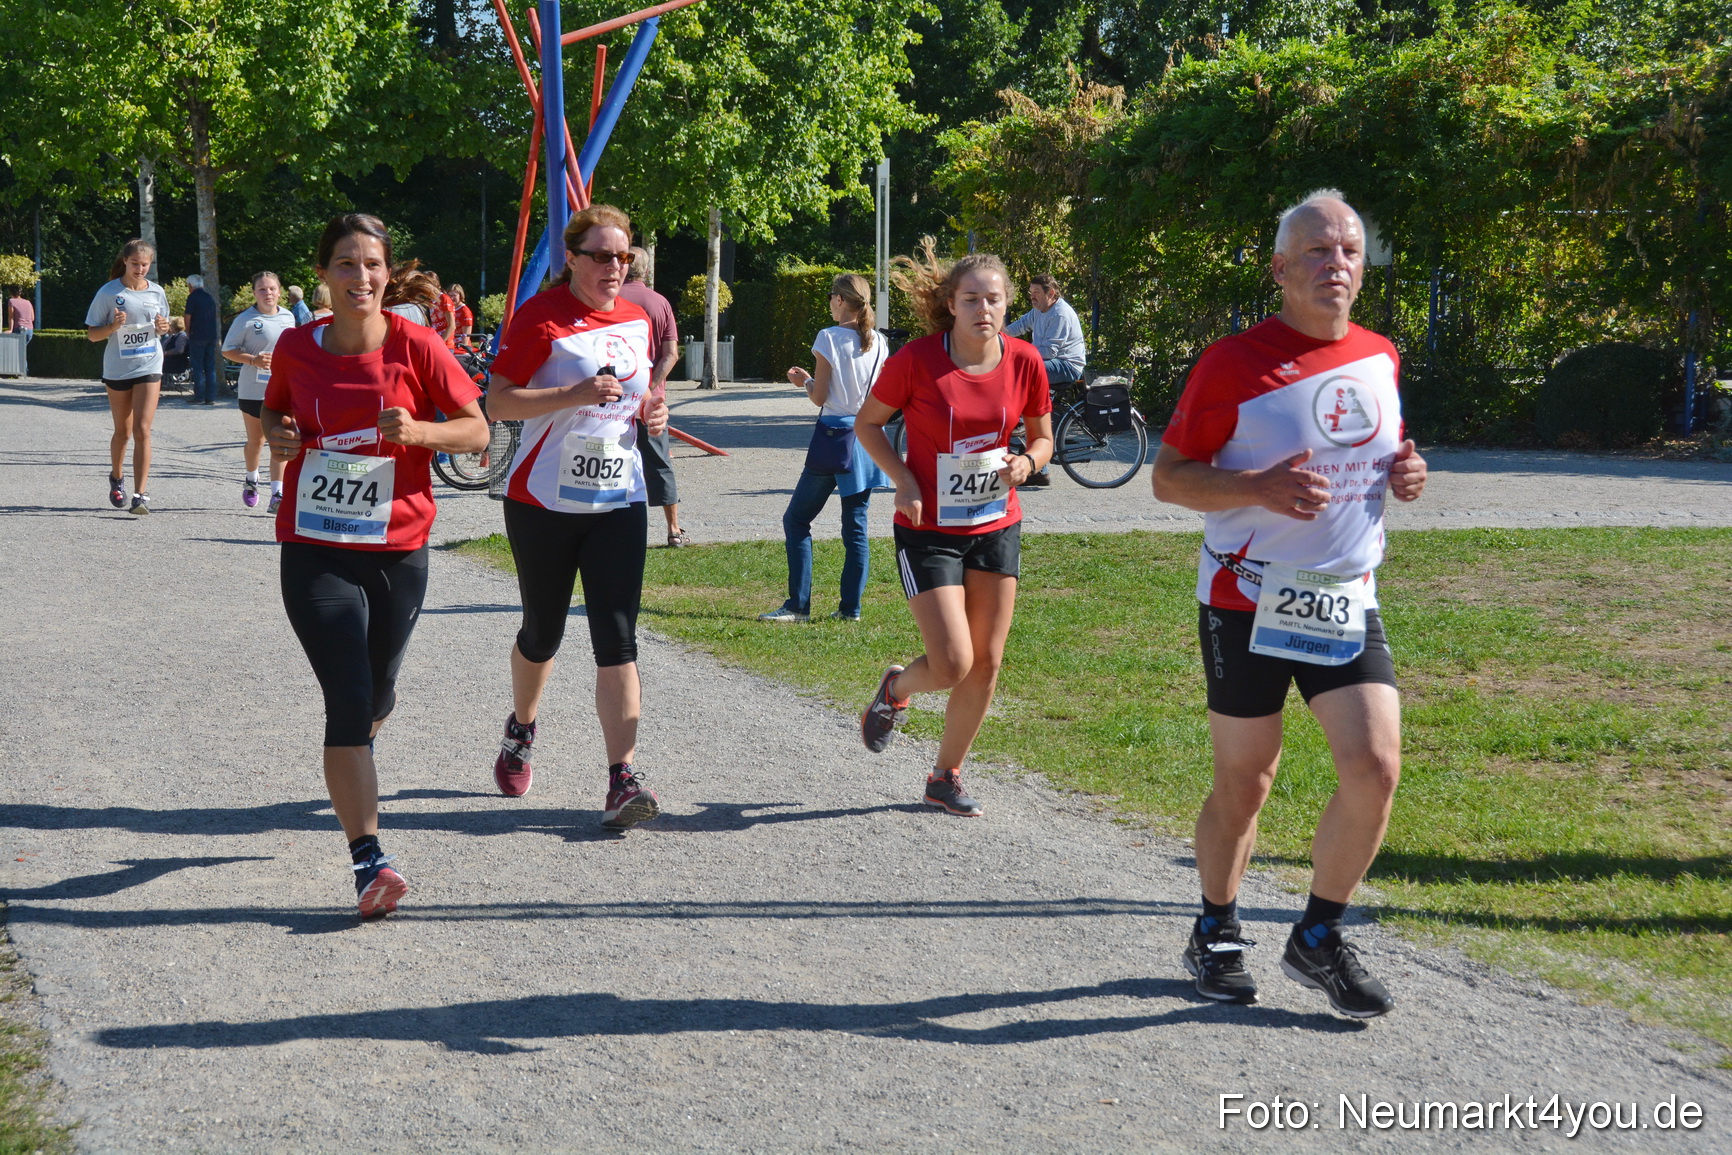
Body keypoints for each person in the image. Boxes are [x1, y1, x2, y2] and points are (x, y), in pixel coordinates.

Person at [1151, 189, 1428, 1018]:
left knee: (1375, 766)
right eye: (1316, 251)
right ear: (1280, 268)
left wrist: (1408, 470)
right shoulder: (1232, 363)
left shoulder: (1380, 354)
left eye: (1348, 250)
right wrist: (1255, 487)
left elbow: (1382, 453)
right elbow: (1169, 478)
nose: (1336, 264)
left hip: (1344, 596)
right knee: (1248, 779)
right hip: (1245, 598)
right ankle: (1217, 926)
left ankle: (1317, 935)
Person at [261, 213, 488, 918]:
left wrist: (420, 430)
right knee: (350, 699)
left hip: (397, 547)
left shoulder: (418, 346)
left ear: (388, 274)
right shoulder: (297, 348)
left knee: (379, 691)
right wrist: (282, 436)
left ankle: (360, 745)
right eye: (346, 264)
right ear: (324, 273)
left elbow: (478, 429)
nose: (360, 277)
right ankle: (369, 859)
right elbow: (272, 419)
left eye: (372, 266)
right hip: (315, 546)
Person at [484, 204, 671, 829]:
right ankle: (521, 727)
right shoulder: (542, 316)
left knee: (618, 639)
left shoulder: (641, 320)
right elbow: (499, 400)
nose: (614, 267)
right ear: (572, 259)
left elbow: (641, 395)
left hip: (617, 500)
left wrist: (653, 414)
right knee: (543, 633)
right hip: (542, 502)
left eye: (623, 257)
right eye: (600, 256)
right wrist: (573, 394)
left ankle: (622, 778)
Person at [854, 240, 1052, 817]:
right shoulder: (916, 360)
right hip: (928, 527)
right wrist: (903, 479)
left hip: (995, 521)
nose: (983, 310)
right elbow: (868, 426)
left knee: (986, 663)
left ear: (1008, 304)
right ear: (951, 304)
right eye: (972, 300)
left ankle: (945, 775)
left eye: (994, 299)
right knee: (951, 663)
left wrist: (1028, 463)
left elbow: (1043, 437)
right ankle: (896, 689)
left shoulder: (1025, 361)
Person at [759, 273, 888, 623]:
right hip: (866, 439)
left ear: (842, 301)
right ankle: (851, 610)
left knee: (797, 519)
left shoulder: (828, 337)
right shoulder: (878, 341)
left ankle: (798, 606)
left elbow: (820, 396)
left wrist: (804, 382)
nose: (829, 301)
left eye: (832, 296)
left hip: (833, 438)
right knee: (856, 529)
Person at [84, 239, 172, 515]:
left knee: (142, 429)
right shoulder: (109, 292)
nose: (141, 269)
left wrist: (162, 327)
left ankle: (140, 494)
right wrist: (113, 326)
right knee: (123, 432)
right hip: (118, 368)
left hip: (150, 363)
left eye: (145, 264)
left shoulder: (157, 292)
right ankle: (117, 477)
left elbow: (164, 328)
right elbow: (92, 335)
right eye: (136, 264)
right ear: (125, 261)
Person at [617, 247, 688, 547]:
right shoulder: (660, 303)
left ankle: (611, 527)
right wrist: (651, 389)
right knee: (660, 463)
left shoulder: (609, 301)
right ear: (645, 271)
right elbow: (670, 354)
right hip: (652, 404)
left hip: (610, 399)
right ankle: (673, 528)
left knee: (611, 460)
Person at [222, 271, 297, 512]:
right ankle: (251, 479)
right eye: (262, 290)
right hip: (253, 390)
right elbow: (227, 350)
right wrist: (253, 360)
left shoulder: (288, 317)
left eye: (272, 289)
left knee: (280, 439)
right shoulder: (245, 319)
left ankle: (277, 493)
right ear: (254, 293)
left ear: (280, 291)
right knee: (256, 441)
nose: (268, 294)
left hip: (282, 389)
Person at [1002, 274, 1085, 488]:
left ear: (1051, 293)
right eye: (1031, 292)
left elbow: (1048, 352)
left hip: (1066, 366)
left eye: (1037, 293)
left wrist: (1016, 354)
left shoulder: (1060, 314)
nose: (1032, 297)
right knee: (1029, 403)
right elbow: (1019, 326)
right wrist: (997, 337)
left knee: (1019, 371)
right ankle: (1040, 469)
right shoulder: (1039, 311)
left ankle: (1021, 423)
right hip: (1049, 363)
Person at [184, 273, 221, 406]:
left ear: (191, 285)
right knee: (210, 367)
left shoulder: (192, 297)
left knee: (198, 366)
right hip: (211, 336)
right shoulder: (209, 297)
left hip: (197, 335)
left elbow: (188, 316)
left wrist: (187, 331)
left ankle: (199, 396)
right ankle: (211, 397)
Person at [428, 275, 458, 348]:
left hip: (445, 345)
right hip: (434, 340)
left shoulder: (444, 298)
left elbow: (452, 325)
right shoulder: (430, 300)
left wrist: (440, 343)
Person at [449, 283, 475, 348]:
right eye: (449, 295)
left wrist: (463, 348)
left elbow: (466, 335)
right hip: (450, 345)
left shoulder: (464, 311)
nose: (451, 298)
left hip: (459, 347)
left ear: (460, 295)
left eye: (454, 295)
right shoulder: (449, 309)